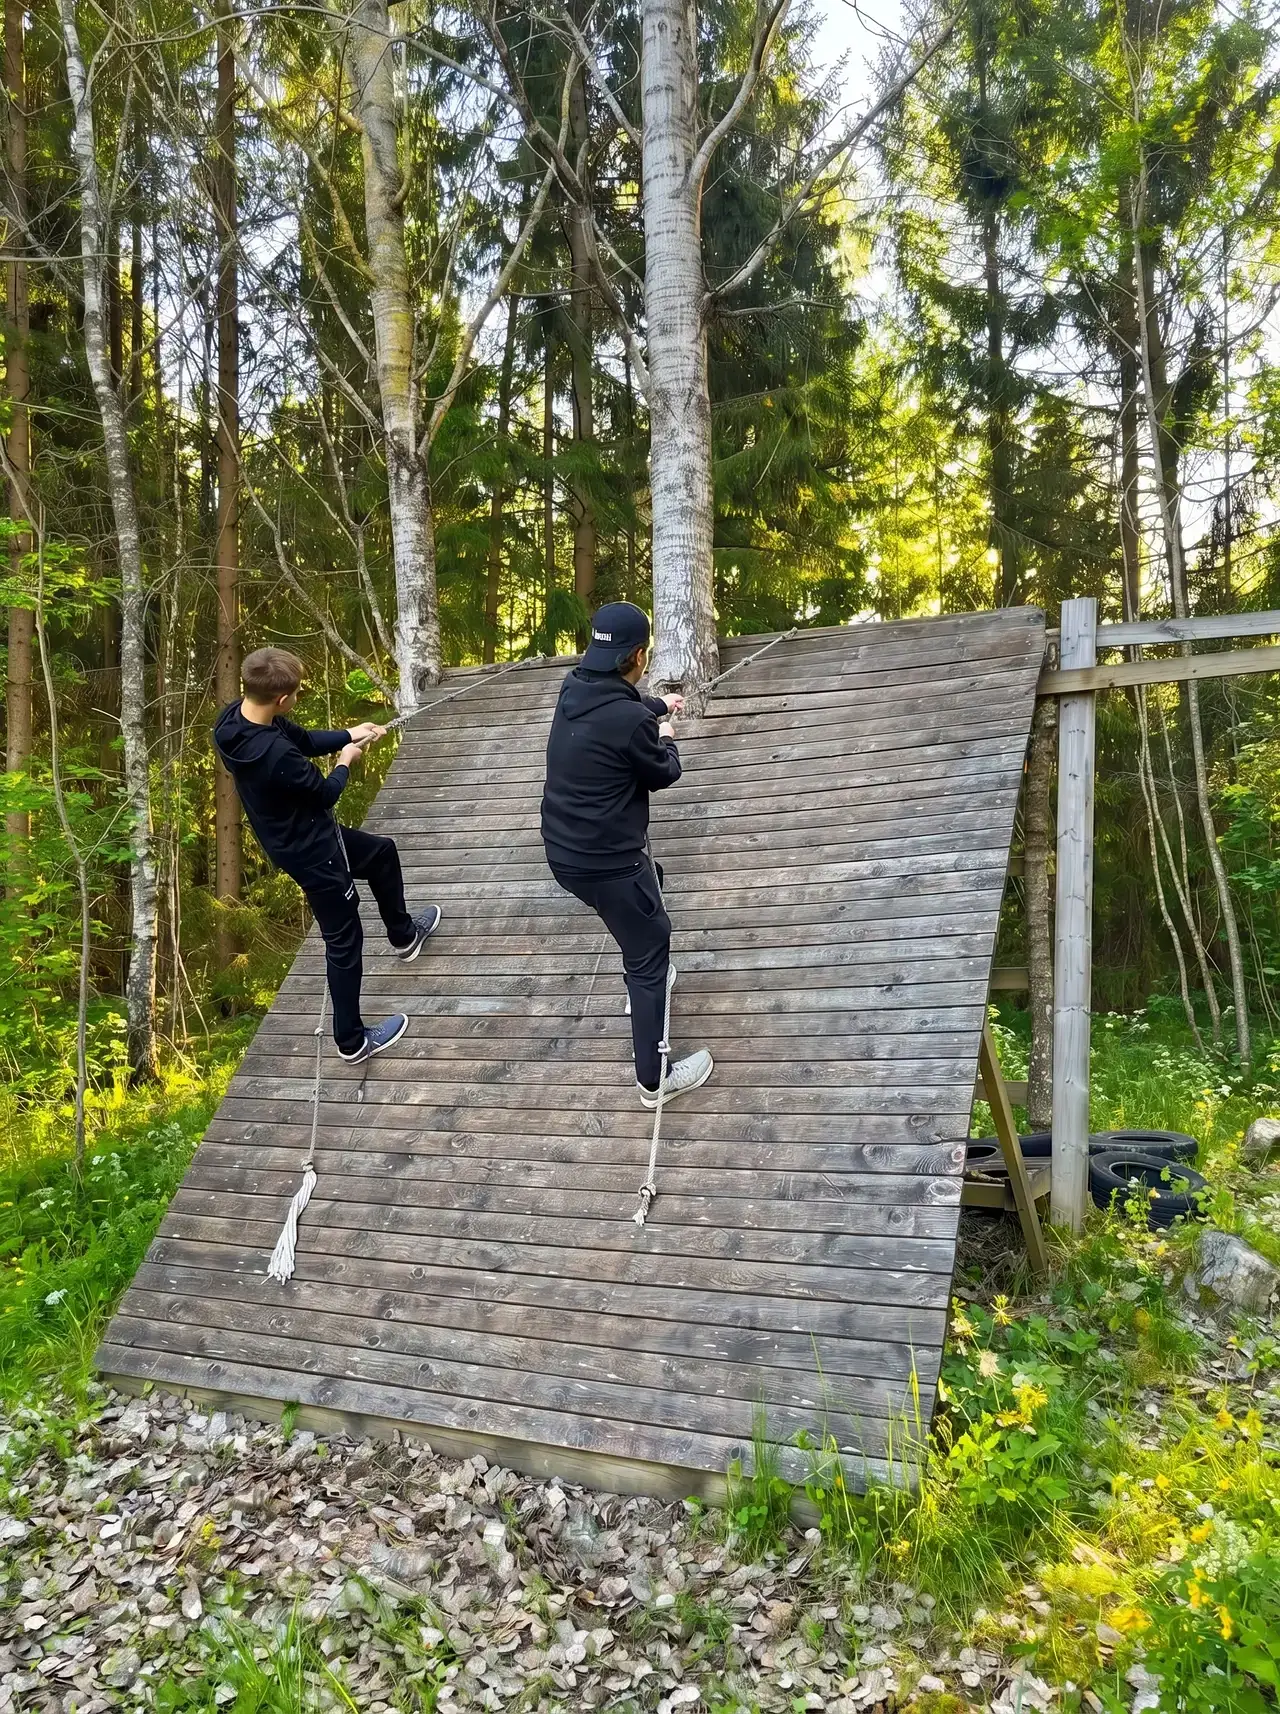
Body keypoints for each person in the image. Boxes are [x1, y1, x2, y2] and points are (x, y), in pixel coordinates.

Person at [213, 647, 440, 1063]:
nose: (296, 699)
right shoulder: (274, 756)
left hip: (301, 837)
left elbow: (300, 739)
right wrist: (346, 762)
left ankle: (404, 935)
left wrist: (350, 734)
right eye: (295, 693)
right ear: (282, 699)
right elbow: (323, 794)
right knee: (344, 940)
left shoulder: (234, 719)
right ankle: (351, 1041)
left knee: (381, 854)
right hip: (314, 852)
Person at [541, 602, 713, 1107]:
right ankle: (653, 1080)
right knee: (651, 949)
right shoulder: (630, 721)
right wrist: (665, 734)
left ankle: (645, 971)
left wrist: (659, 705)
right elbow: (663, 773)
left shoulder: (573, 688)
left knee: (647, 887)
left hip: (563, 853)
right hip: (607, 861)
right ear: (639, 655)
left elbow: (618, 710)